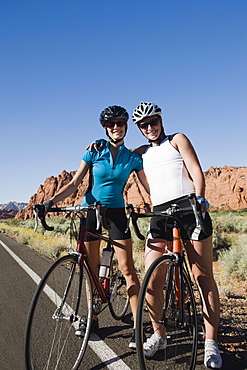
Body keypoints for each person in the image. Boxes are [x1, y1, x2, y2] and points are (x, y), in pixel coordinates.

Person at [41, 105, 150, 350]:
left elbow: (147, 186)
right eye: (111, 124)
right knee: (90, 270)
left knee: (127, 268)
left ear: (125, 126)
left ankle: (137, 327)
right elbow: (74, 184)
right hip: (90, 211)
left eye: (120, 123)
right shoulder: (94, 151)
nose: (115, 127)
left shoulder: (133, 158)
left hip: (116, 214)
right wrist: (49, 202)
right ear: (105, 128)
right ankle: (92, 317)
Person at [131, 102, 222, 368]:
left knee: (202, 276)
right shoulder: (140, 153)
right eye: (144, 125)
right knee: (151, 278)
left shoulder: (177, 139)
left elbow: (195, 169)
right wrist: (99, 146)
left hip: (189, 207)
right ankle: (159, 335)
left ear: (160, 120)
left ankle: (210, 343)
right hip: (160, 214)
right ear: (139, 128)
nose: (150, 128)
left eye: (153, 122)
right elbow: (117, 156)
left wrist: (201, 197)